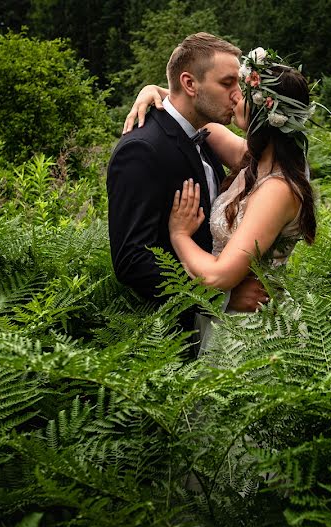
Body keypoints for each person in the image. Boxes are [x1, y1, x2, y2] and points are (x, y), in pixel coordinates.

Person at [122, 47, 318, 351]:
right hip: (226, 319)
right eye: (231, 86)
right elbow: (190, 109)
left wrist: (179, 234)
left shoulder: (277, 189)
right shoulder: (251, 159)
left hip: (252, 329)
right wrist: (151, 90)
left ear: (264, 113)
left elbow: (218, 275)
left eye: (242, 92)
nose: (235, 96)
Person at [107, 33, 268, 341]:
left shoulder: (203, 135)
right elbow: (132, 261)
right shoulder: (141, 149)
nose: (238, 95)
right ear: (190, 84)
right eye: (227, 83)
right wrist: (219, 299)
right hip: (174, 337)